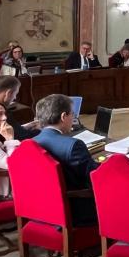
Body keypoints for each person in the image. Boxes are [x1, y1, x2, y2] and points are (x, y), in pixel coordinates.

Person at [33, 94, 98, 226]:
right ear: (63, 117)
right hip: (74, 210)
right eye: (72, 114)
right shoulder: (74, 145)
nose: (73, 118)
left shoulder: (30, 144)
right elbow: (95, 177)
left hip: (41, 208)